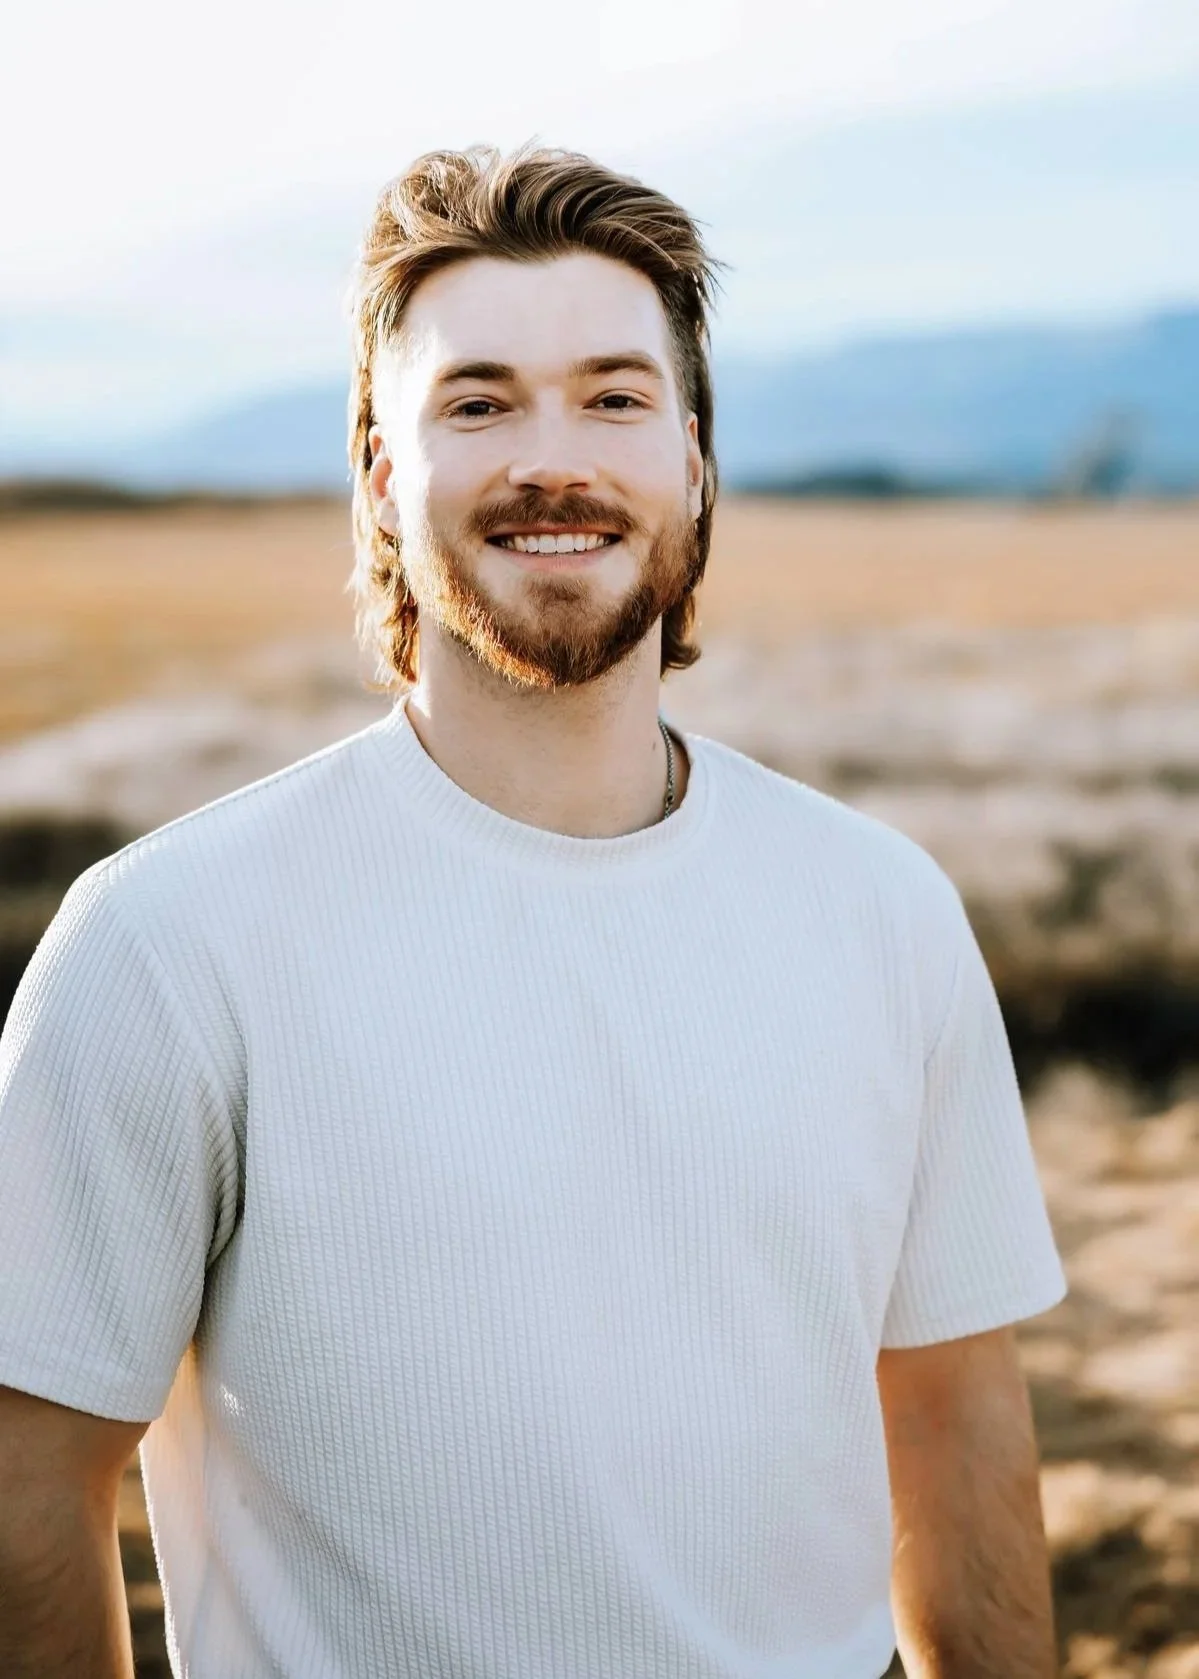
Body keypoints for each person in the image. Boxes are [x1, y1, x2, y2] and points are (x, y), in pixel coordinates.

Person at [0, 143, 1067, 1679]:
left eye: (615, 397)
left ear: (693, 458)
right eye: (478, 400)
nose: (549, 459)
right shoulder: (167, 942)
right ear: (382, 471)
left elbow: (956, 1412)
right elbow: (31, 1483)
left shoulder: (880, 910)